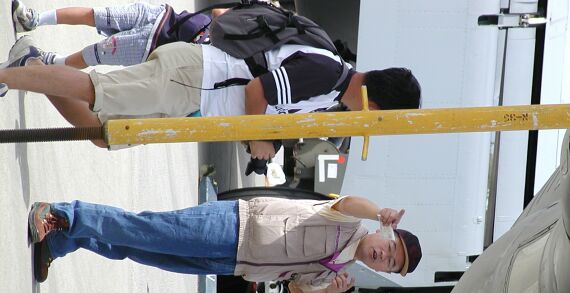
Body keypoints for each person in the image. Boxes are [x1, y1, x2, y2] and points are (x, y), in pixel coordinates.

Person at [0, 12, 421, 153]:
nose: (367, 126)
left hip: (194, 101)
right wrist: (258, 139)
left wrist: (262, 138)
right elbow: (258, 91)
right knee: (96, 92)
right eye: (378, 122)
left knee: (101, 134)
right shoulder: (329, 74)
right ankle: (11, 73)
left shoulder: (330, 92)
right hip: (195, 77)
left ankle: (30, 65)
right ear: (376, 107)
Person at [27, 195, 422, 293]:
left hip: (230, 262)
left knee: (138, 248)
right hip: (232, 226)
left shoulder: (338, 272)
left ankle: (64, 239)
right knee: (145, 229)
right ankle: (63, 215)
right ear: (384, 232)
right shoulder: (350, 221)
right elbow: (350, 201)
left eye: (391, 263)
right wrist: (378, 211)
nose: (383, 256)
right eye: (390, 248)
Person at [10, 0, 214, 68]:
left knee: (91, 54)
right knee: (95, 15)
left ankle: (45, 64)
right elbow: (218, 13)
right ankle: (33, 19)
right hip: (163, 15)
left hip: (150, 46)